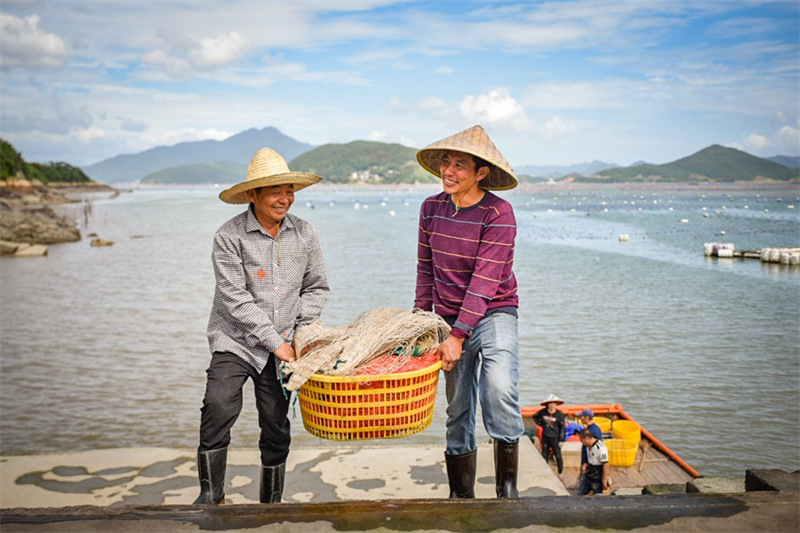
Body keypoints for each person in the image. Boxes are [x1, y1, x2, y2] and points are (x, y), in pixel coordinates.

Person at [193, 147, 330, 505]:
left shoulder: (306, 234)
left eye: (289, 190)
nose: (285, 199)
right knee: (217, 405)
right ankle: (211, 495)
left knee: (275, 425)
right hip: (235, 340)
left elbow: (316, 288)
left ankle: (271, 502)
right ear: (252, 195)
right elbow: (234, 299)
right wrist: (274, 342)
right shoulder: (228, 237)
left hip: (286, 340)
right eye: (275, 191)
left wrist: (301, 332)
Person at [414, 125, 524, 499]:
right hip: (446, 319)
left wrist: (458, 336)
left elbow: (485, 280)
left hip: (494, 312)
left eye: (460, 165)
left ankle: (506, 489)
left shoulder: (499, 212)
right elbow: (425, 269)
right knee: (458, 406)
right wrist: (420, 321)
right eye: (446, 162)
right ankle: (461, 495)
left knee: (499, 388)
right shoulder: (431, 208)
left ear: (481, 173)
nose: (449, 170)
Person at [533, 394, 566, 477]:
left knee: (558, 455)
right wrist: (541, 424)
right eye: (550, 403)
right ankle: (545, 471)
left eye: (554, 403)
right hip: (545, 437)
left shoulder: (559, 415)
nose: (552, 405)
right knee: (545, 454)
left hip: (555, 437)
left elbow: (562, 428)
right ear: (547, 404)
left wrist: (562, 440)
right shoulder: (543, 412)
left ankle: (560, 472)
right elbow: (535, 417)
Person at [577, 428, 610, 495]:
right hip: (588, 475)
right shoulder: (588, 446)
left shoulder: (601, 448)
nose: (582, 443)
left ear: (587, 438)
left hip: (596, 478)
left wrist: (604, 479)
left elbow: (606, 464)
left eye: (582, 440)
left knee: (596, 497)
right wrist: (585, 465)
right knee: (580, 494)